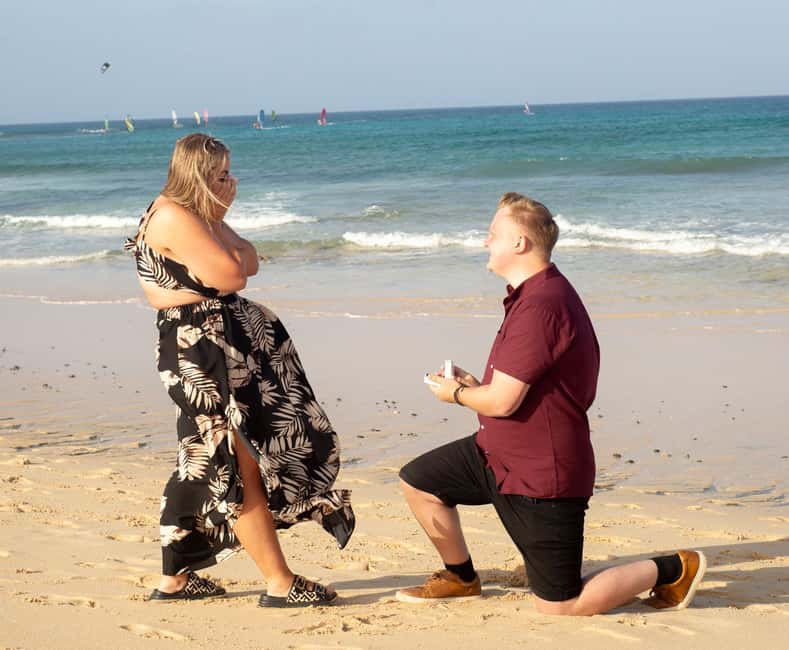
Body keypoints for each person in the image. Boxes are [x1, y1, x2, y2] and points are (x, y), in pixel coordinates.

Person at [396, 193, 706, 615]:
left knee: (561, 605)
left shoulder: (541, 305)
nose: (485, 241)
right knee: (419, 482)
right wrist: (476, 387)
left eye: (492, 234)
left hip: (542, 475)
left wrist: (456, 394)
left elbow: (503, 402)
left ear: (519, 242)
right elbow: (517, 390)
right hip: (498, 455)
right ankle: (461, 577)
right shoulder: (533, 295)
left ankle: (674, 568)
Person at [124, 133, 353, 607]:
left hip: (218, 344)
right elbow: (232, 274)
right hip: (203, 350)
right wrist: (220, 227)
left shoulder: (195, 215)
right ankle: (279, 583)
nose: (229, 182)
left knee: (201, 458)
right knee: (235, 459)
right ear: (197, 174)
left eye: (228, 172)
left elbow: (250, 262)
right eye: (220, 174)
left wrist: (219, 226)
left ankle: (174, 579)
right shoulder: (176, 215)